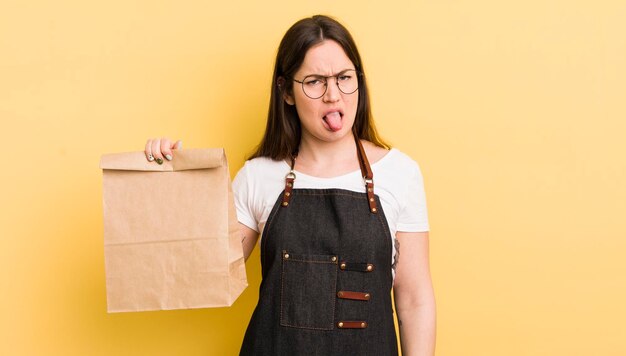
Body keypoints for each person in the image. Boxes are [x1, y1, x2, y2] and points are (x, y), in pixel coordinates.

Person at [144, 15, 435, 356]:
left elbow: (415, 299)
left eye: (344, 78)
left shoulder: (399, 172)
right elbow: (204, 273)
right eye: (314, 82)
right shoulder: (258, 175)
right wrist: (166, 181)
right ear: (286, 92)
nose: (333, 95)